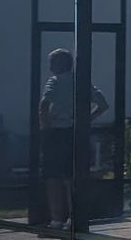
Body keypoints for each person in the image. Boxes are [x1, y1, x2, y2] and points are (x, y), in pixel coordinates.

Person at [38, 48, 107, 227]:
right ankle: (73, 218)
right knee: (71, 177)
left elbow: (44, 104)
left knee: (53, 177)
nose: (50, 67)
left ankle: (56, 219)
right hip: (75, 132)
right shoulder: (81, 82)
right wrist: (86, 119)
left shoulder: (54, 81)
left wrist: (45, 126)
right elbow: (103, 104)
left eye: (52, 63)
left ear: (58, 65)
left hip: (56, 133)